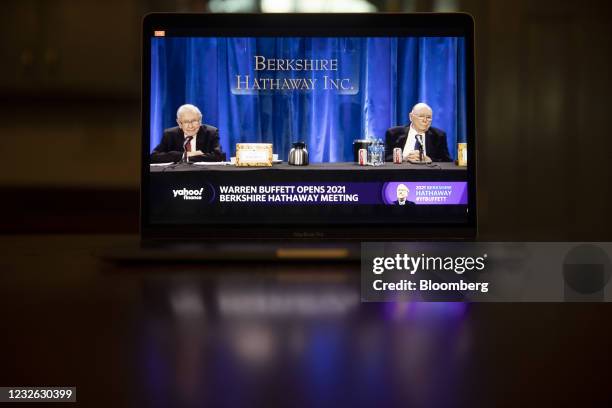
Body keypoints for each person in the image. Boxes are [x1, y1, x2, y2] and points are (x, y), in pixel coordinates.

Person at [150, 104, 224, 163]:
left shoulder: (211, 133)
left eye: (194, 121)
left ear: (200, 121)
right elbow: (153, 157)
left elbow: (219, 156)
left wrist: (188, 158)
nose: (190, 126)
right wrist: (185, 155)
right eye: (186, 122)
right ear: (179, 123)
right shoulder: (170, 134)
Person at [385, 103, 452, 163]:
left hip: (428, 175)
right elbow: (385, 158)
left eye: (428, 117)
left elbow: (447, 162)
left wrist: (430, 160)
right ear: (411, 117)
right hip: (400, 174)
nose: (425, 120)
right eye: (421, 116)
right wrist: (403, 158)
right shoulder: (393, 133)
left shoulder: (439, 136)